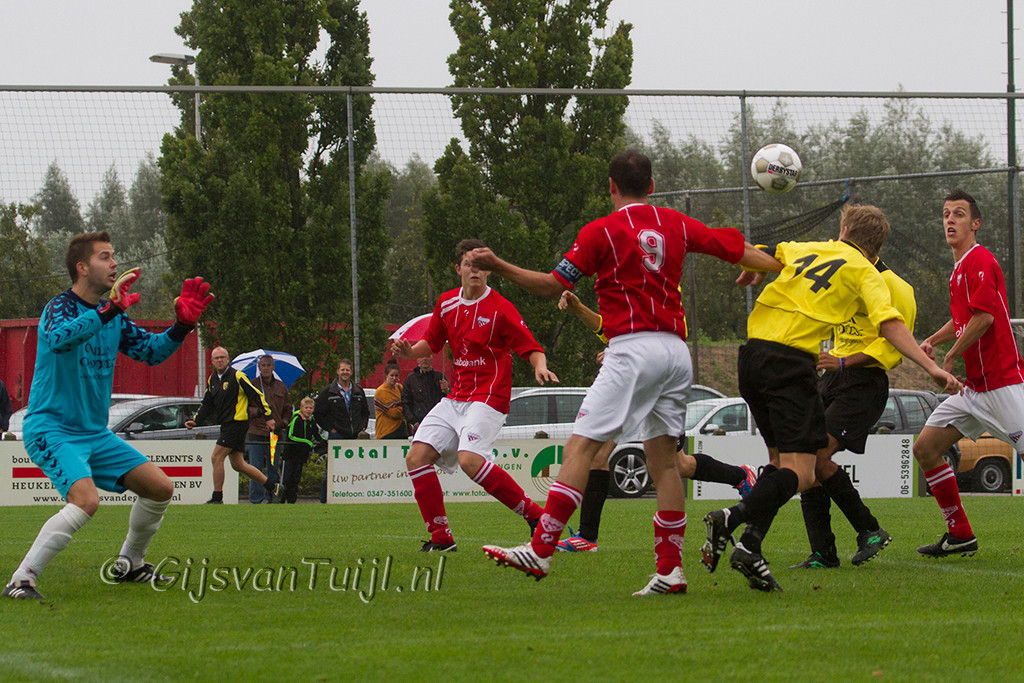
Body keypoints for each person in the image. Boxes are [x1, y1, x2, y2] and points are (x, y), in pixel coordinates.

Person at [473, 150, 778, 596]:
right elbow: (735, 249)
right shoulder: (676, 223)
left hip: (632, 349)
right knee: (665, 463)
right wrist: (779, 266)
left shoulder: (600, 231)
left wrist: (499, 265)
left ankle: (540, 549)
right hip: (676, 352)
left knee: (580, 447)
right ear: (651, 186)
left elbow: (552, 285)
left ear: (611, 187)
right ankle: (670, 571)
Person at [700, 205, 961, 592]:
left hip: (752, 357)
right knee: (804, 471)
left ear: (843, 229)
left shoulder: (808, 248)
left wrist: (752, 264)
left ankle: (752, 547)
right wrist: (931, 367)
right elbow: (891, 324)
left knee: (780, 462)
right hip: (790, 364)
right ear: (877, 247)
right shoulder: (865, 271)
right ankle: (732, 518)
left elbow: (760, 252)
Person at [2, 231, 212, 600]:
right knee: (86, 501)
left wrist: (181, 327)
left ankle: (130, 563)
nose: (114, 263)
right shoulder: (59, 307)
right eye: (105, 256)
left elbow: (151, 352)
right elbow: (59, 339)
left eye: (113, 256)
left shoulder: (112, 316)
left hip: (94, 433)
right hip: (51, 429)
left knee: (160, 488)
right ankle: (22, 580)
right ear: (82, 268)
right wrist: (109, 311)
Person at [554, 290, 756, 554]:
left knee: (678, 465)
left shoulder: (658, 287)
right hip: (630, 381)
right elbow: (609, 330)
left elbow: (663, 334)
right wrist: (581, 311)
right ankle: (587, 537)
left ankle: (740, 476)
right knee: (599, 454)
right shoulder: (625, 287)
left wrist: (627, 354)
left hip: (656, 379)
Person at [390, 238, 558, 552]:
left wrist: (540, 366)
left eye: (481, 266)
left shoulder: (501, 308)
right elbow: (432, 343)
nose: (475, 270)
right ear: (459, 269)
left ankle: (537, 517)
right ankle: (441, 538)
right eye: (469, 264)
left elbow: (531, 347)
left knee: (470, 460)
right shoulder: (446, 303)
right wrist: (409, 351)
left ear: (488, 271)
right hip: (457, 398)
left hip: (489, 397)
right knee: (416, 457)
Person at [789, 205, 916, 570]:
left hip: (864, 382)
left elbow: (894, 347)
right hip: (832, 377)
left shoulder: (896, 287)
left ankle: (870, 529)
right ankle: (823, 553)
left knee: (817, 455)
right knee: (806, 459)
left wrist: (844, 361)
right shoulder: (844, 274)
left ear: (845, 231)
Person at [912, 189, 1024, 557]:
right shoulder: (959, 270)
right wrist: (934, 339)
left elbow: (985, 318)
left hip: (1002, 385)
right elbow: (963, 319)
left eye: (959, 214)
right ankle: (960, 534)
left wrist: (950, 355)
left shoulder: (981, 259)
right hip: (974, 391)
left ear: (976, 224)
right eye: (946, 214)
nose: (950, 220)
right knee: (926, 448)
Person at [185, 346, 278, 504]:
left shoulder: (237, 376)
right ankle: (273, 487)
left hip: (237, 423)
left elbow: (257, 395)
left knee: (216, 457)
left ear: (228, 360)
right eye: (216, 358)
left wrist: (268, 417)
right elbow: (207, 403)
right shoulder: (213, 379)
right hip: (226, 424)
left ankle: (217, 497)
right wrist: (196, 420)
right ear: (212, 361)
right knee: (238, 464)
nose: (220, 360)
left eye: (222, 357)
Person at [313, 358, 370, 503]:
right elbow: (318, 414)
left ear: (351, 372)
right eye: (342, 369)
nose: (345, 372)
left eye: (347, 370)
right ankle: (324, 500)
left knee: (354, 470)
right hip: (336, 436)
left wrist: (361, 426)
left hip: (354, 436)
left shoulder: (358, 391)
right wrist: (331, 429)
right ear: (337, 371)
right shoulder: (328, 392)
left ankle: (350, 498)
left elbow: (365, 412)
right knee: (332, 470)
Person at [246, 354, 293, 503]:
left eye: (268, 365)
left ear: (273, 367)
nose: (265, 368)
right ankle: (256, 499)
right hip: (256, 433)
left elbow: (288, 408)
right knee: (255, 468)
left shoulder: (281, 386)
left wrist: (283, 422)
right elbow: (246, 409)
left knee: (273, 469)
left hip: (275, 434)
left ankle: (273, 497)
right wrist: (260, 412)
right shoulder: (252, 385)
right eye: (263, 365)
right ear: (259, 367)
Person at [278, 397, 326, 504]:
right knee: (286, 478)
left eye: (310, 408)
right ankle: (281, 500)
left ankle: (292, 501)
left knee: (296, 478)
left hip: (301, 455)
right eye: (306, 408)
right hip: (290, 455)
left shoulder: (311, 421)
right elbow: (291, 436)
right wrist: (306, 442)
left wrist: (324, 442)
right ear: (301, 408)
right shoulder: (296, 419)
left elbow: (316, 434)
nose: (308, 410)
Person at [401, 354, 448, 435]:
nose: (425, 359)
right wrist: (414, 423)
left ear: (432, 359)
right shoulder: (410, 380)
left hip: (437, 424)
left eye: (428, 356)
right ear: (417, 359)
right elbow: (405, 403)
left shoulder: (440, 377)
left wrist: (447, 390)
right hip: (419, 426)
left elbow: (448, 401)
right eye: (422, 356)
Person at [374, 360, 408, 439]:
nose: (394, 378)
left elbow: (408, 405)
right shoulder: (381, 391)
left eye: (396, 375)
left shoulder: (399, 388)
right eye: (391, 375)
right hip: (386, 433)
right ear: (386, 375)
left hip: (401, 430)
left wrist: (400, 407)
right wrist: (404, 409)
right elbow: (394, 413)